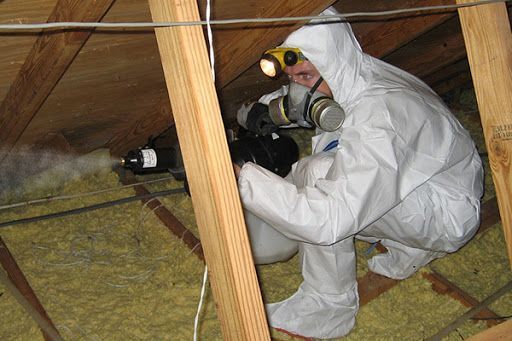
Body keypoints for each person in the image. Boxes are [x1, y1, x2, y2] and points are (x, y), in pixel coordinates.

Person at [235, 7, 483, 339]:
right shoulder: (355, 72)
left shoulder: (381, 117)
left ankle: (328, 308)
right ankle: (409, 246)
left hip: (445, 211)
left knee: (317, 174)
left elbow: (331, 217)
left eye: (305, 77)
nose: (297, 91)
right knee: (319, 177)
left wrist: (242, 178)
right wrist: (264, 110)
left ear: (332, 67)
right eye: (292, 80)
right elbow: (308, 93)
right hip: (421, 181)